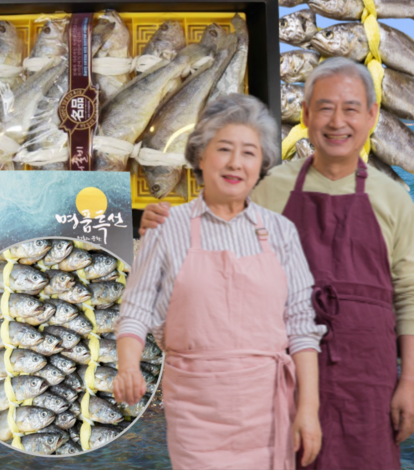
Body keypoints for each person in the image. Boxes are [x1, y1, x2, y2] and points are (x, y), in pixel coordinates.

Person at [139, 57, 414, 470]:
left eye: (351, 108)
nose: (337, 121)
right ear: (304, 115)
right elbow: (211, 252)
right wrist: (158, 221)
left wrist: (408, 381)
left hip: (367, 381)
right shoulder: (271, 189)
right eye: (324, 107)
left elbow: (408, 297)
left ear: (372, 116)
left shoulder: (394, 197)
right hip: (277, 378)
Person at [114, 94, 326, 470]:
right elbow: (135, 309)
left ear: (261, 164)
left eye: (248, 152)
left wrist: (308, 410)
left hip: (269, 410)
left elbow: (302, 329)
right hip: (196, 413)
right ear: (199, 156)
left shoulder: (281, 232)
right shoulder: (166, 228)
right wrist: (129, 366)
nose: (235, 163)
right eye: (223, 149)